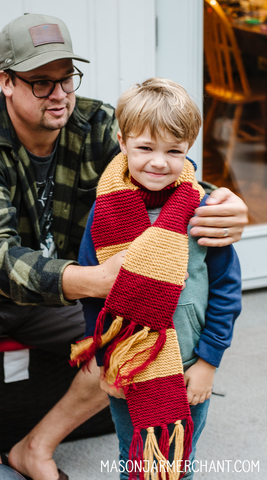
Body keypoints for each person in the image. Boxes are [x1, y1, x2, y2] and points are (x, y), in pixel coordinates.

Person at [0, 12, 246, 480]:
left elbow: (162, 169)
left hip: (65, 286)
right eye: (41, 83)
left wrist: (221, 203)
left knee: (130, 341)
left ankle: (35, 447)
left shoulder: (96, 122)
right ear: (6, 81)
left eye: (66, 78)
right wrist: (100, 279)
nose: (61, 94)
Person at [72, 78, 242, 480]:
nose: (159, 162)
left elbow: (226, 290)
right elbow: (94, 296)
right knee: (133, 457)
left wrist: (208, 363)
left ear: (189, 150)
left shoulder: (202, 211)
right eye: (145, 148)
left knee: (179, 459)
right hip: (129, 364)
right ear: (122, 142)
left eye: (174, 151)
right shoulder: (105, 213)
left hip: (188, 366)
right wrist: (106, 361)